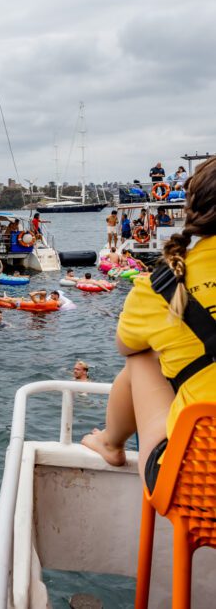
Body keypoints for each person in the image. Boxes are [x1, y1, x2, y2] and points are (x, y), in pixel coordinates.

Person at [81, 156, 216, 494]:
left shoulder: (160, 285)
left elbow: (127, 346)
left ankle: (111, 443)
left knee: (142, 355)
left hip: (197, 486)